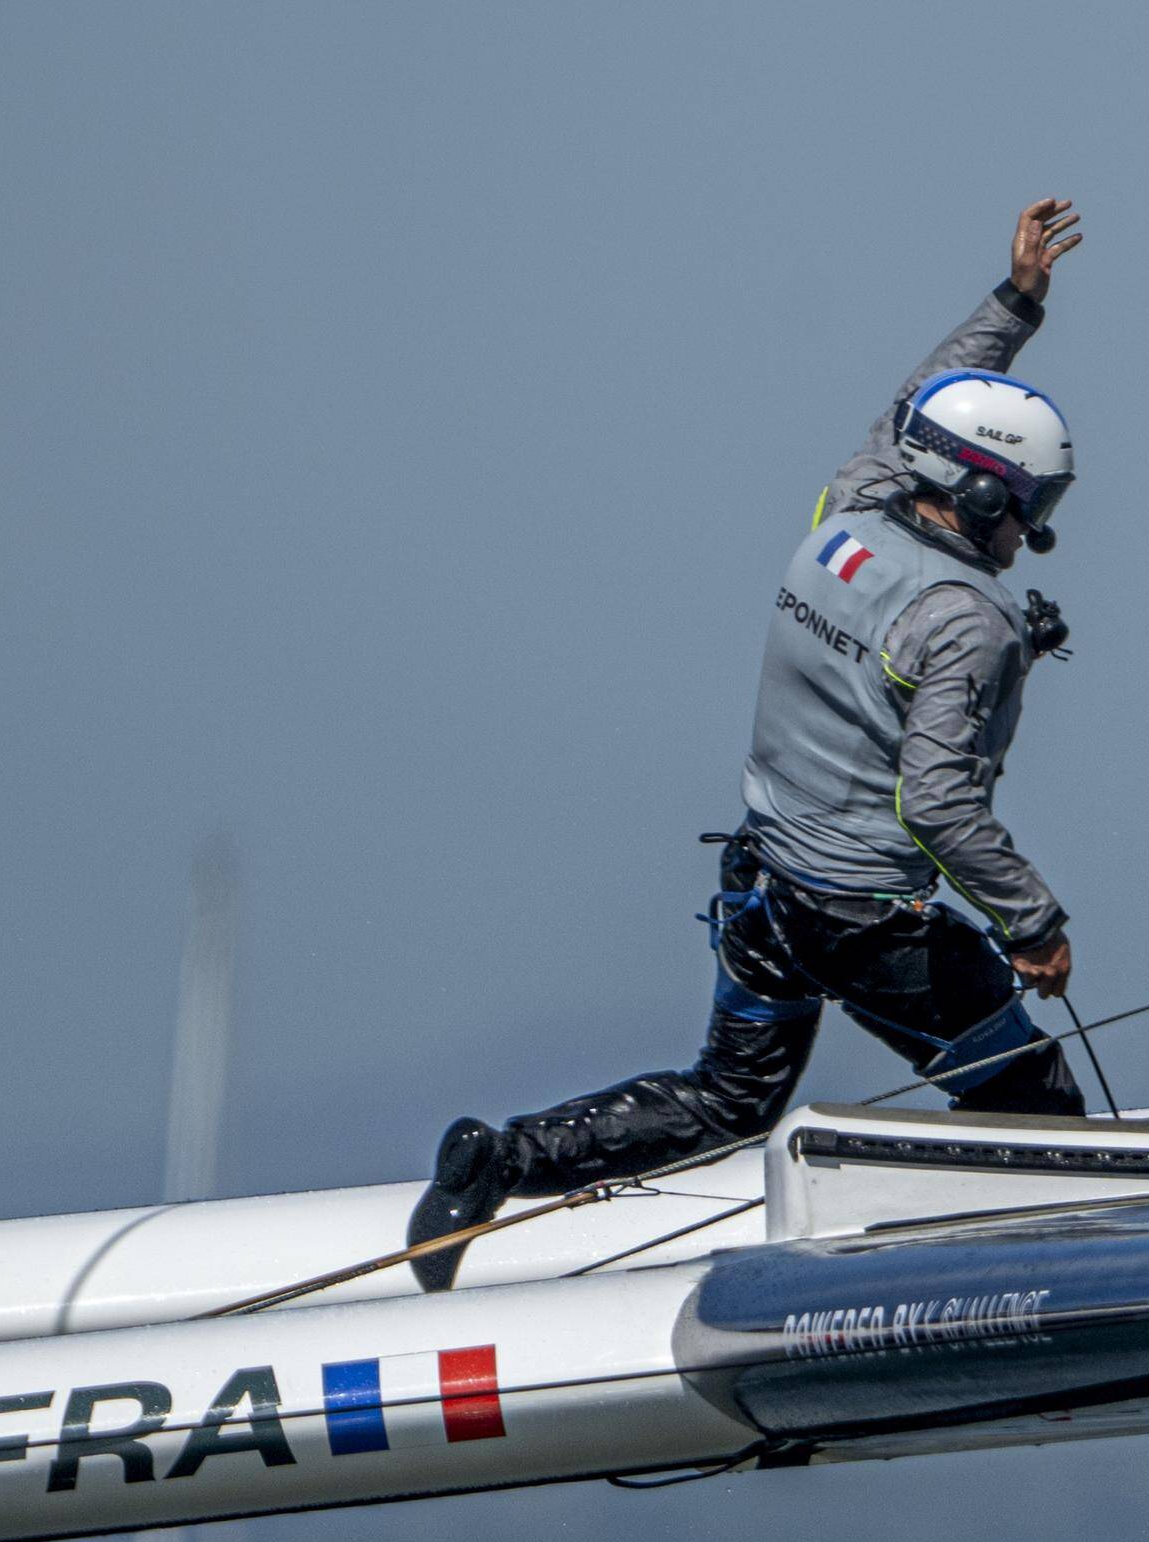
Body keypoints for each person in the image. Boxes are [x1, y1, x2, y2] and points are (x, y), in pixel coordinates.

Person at [410, 201, 1100, 1285]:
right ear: (975, 493)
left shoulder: (849, 512)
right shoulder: (971, 620)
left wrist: (1015, 303)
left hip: (764, 888)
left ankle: (499, 1159)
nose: (1036, 533)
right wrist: (1035, 922)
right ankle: (1050, 1281)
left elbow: (914, 405)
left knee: (727, 1099)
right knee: (1031, 1101)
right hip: (866, 927)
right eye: (1029, 507)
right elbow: (941, 806)